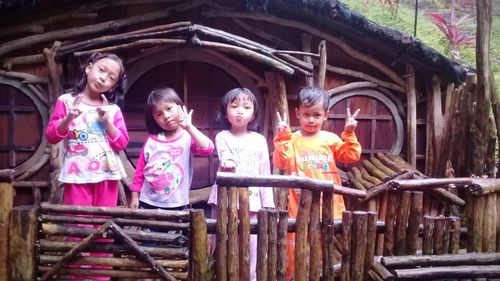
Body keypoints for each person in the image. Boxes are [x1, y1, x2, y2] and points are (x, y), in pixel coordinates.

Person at [45, 52, 129, 280]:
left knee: (103, 230)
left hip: (107, 177)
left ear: (113, 85)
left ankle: (101, 277)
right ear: (88, 68)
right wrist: (67, 118)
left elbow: (121, 143)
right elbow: (52, 136)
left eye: (111, 77)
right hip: (77, 176)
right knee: (78, 231)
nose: (104, 78)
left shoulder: (112, 111)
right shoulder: (66, 101)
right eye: (101, 70)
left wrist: (108, 123)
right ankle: (80, 277)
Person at [273, 86, 361, 280]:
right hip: (299, 205)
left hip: (329, 206)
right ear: (297, 114)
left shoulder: (330, 139)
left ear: (325, 116)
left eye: (316, 115)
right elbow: (281, 161)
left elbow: (351, 155)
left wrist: (349, 133)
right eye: (306, 114)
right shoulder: (292, 139)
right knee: (297, 247)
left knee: (327, 249)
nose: (311, 120)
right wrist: (282, 137)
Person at [207, 88, 275, 281]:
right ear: (225, 111)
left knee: (252, 246)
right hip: (225, 202)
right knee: (223, 243)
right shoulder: (222, 136)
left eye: (246, 107)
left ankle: (250, 277)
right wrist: (228, 162)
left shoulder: (259, 140)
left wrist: (267, 203)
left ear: (253, 113)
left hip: (253, 203)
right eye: (234, 106)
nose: (239, 111)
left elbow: (265, 172)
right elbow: (225, 156)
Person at [129, 88, 214, 215]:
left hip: (177, 203)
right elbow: (140, 171)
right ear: (154, 119)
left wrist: (189, 127)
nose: (166, 116)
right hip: (148, 202)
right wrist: (135, 196)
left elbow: (208, 149)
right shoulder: (152, 141)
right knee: (148, 235)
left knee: (175, 234)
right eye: (159, 114)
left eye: (169, 108)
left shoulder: (187, 137)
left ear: (179, 107)